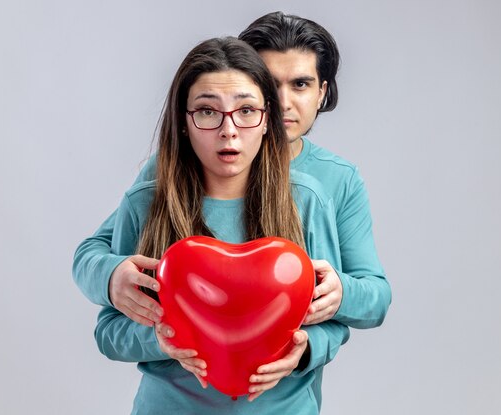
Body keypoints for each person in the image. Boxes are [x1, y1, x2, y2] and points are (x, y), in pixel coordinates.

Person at [74, 11, 390, 331]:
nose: (283, 101)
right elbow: (96, 250)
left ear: (322, 92)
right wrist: (112, 277)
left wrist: (340, 295)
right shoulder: (180, 167)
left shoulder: (334, 181)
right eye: (268, 82)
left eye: (300, 84)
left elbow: (375, 296)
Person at [95, 36, 347, 414]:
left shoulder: (307, 200)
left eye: (246, 111)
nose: (229, 130)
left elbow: (333, 321)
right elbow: (108, 332)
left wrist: (305, 349)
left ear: (267, 121)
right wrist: (159, 341)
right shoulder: (146, 201)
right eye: (208, 111)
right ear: (184, 122)